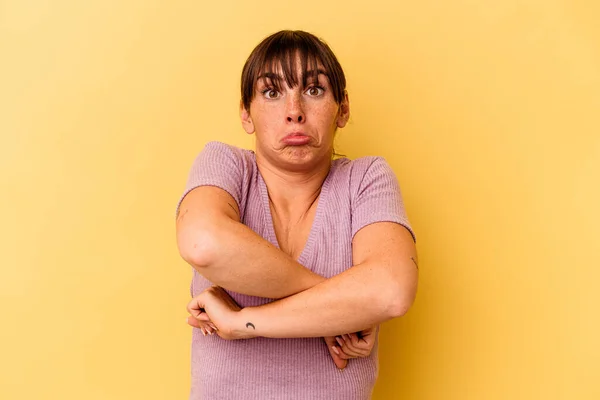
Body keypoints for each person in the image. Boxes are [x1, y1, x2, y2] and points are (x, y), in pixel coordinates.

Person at [175, 30, 418, 400]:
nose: (294, 112)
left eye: (314, 90)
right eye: (272, 93)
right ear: (246, 112)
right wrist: (343, 307)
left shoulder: (367, 179)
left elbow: (391, 290)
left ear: (344, 108)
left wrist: (242, 323)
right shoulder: (226, 166)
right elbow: (202, 243)